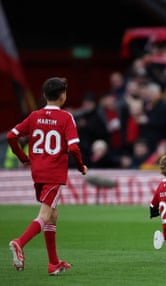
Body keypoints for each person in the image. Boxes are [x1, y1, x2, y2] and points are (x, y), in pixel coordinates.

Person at [6, 77, 88, 275]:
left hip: (38, 172)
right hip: (54, 172)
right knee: (45, 214)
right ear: (63, 96)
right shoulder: (66, 118)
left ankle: (53, 263)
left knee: (53, 214)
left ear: (44, 95)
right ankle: (19, 242)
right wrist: (80, 166)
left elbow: (11, 136)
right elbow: (74, 147)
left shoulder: (34, 116)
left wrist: (23, 156)